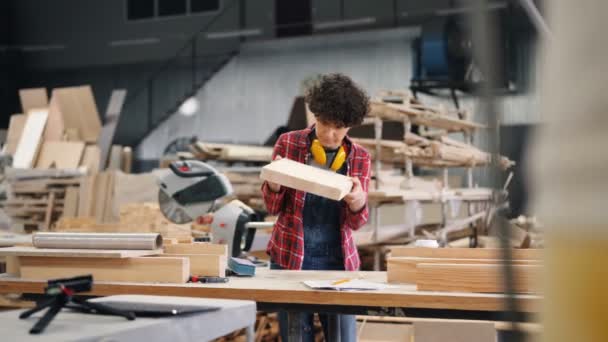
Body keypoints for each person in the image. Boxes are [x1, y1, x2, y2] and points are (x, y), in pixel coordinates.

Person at [261, 73, 371, 341]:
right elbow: (273, 207)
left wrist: (358, 203)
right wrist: (274, 183)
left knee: (342, 337)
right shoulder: (288, 144)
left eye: (339, 127)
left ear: (350, 126)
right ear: (315, 116)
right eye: (324, 124)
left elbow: (357, 223)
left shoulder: (360, 157)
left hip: (338, 261)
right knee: (297, 336)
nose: (330, 134)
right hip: (291, 255)